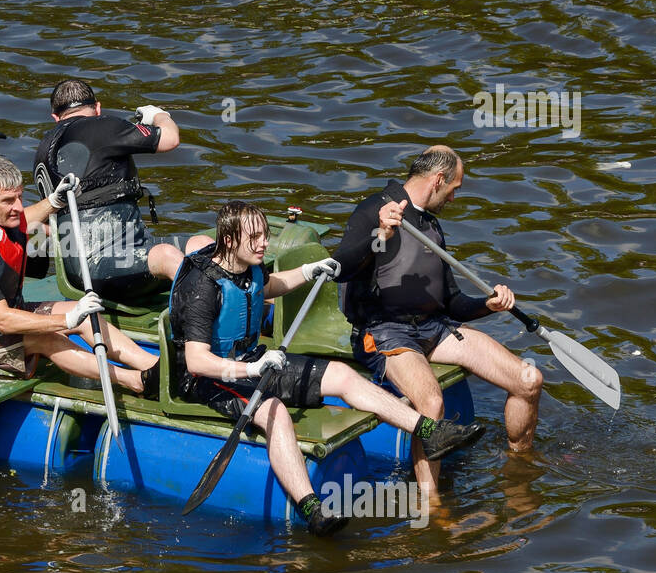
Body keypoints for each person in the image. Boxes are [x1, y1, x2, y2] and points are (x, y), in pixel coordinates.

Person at [169, 201, 486, 536]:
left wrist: (308, 272)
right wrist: (253, 369)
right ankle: (312, 508)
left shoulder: (248, 265)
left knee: (342, 375)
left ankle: (430, 432)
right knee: (272, 410)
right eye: (255, 236)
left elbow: (268, 286)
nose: (264, 243)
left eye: (265, 234)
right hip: (208, 379)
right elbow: (196, 361)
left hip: (252, 362)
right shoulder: (203, 287)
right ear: (230, 241)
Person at [330, 145, 542, 492]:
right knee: (431, 402)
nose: (454, 197)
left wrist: (487, 306)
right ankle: (429, 504)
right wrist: (379, 236)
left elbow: (452, 303)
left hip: (434, 329)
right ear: (438, 179)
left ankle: (519, 468)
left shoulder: (431, 225)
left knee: (528, 380)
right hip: (384, 334)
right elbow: (340, 269)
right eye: (454, 188)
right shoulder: (375, 209)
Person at [0, 155, 160, 392]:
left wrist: (54, 202)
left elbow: (21, 218)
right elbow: (3, 320)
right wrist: (65, 321)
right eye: (8, 201)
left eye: (19, 197)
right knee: (48, 337)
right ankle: (137, 381)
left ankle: (156, 368)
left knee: (89, 316)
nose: (17, 206)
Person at [34, 78, 211, 301]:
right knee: (167, 256)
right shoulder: (103, 126)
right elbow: (171, 138)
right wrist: (159, 116)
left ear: (55, 117)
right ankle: (211, 317)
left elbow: (45, 223)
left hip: (94, 260)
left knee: (203, 245)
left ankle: (239, 303)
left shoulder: (42, 151)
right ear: (97, 108)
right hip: (96, 265)